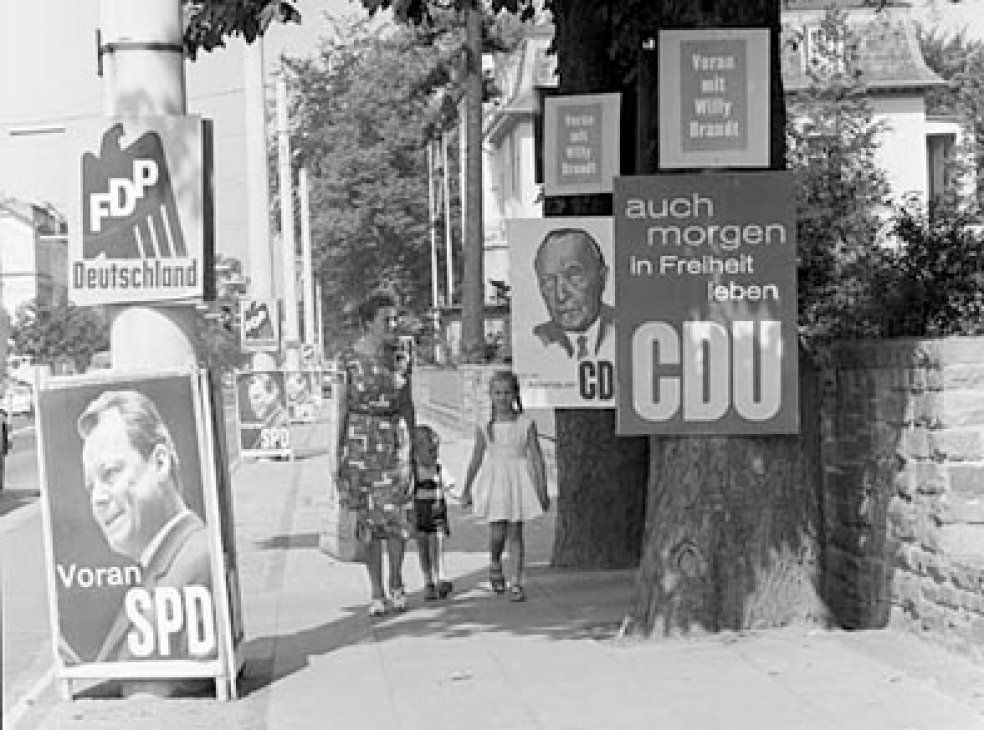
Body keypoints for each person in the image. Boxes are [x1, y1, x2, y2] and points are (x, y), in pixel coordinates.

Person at [76, 389, 213, 662]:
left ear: (160, 463)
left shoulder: (197, 561)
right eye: (91, 486)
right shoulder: (159, 567)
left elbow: (190, 677)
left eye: (111, 473)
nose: (98, 499)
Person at [335, 291, 415, 616]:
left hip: (391, 440)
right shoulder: (347, 359)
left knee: (394, 519)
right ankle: (376, 589)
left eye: (395, 319)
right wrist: (335, 454)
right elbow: (340, 406)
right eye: (386, 320)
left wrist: (411, 450)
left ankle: (396, 580)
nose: (393, 325)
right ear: (368, 323)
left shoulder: (402, 355)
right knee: (367, 523)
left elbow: (407, 403)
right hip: (358, 444)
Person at [460, 371, 550, 602]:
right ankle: (495, 560)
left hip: (518, 477)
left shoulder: (525, 424)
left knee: (516, 531)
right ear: (491, 396)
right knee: (498, 530)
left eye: (507, 392)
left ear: (515, 394)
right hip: (496, 479)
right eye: (497, 393)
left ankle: (516, 581)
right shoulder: (485, 425)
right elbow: (477, 457)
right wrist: (467, 488)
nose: (502, 398)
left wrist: (542, 489)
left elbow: (537, 458)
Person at [532, 227, 615, 359]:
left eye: (573, 276)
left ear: (603, 277)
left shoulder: (627, 327)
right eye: (548, 281)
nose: (561, 295)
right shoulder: (534, 340)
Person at [411, 425, 452, 601]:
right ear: (416, 451)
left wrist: (463, 496)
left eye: (436, 451)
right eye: (430, 451)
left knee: (438, 545)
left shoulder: (439, 469)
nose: (434, 455)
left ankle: (440, 577)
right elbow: (406, 492)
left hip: (437, 514)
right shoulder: (413, 472)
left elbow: (450, 486)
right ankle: (428, 581)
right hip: (419, 515)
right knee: (423, 549)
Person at [240, 371, 289, 451]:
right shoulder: (269, 425)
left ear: (273, 394)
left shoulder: (282, 422)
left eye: (257, 397)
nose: (253, 404)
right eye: (251, 400)